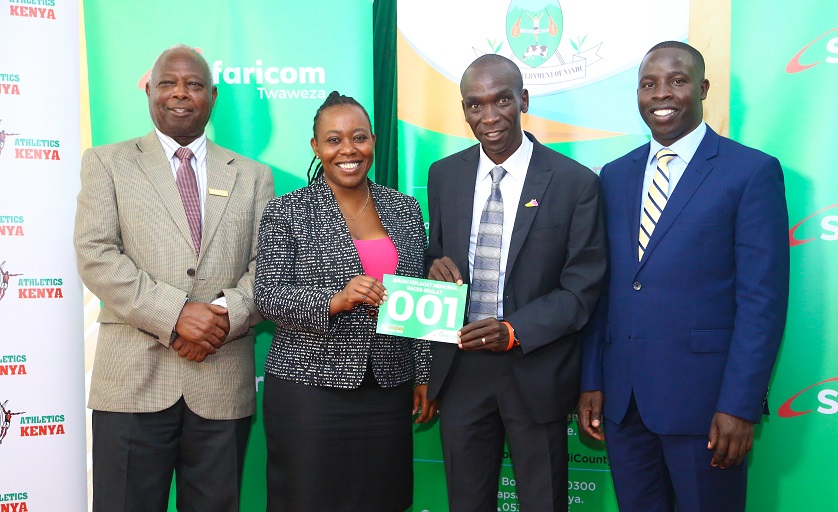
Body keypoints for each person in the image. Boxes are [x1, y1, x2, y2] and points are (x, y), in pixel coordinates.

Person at [578, 41, 789, 512]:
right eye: (648, 85)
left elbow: (762, 302)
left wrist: (739, 405)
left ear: (703, 88)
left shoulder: (750, 172)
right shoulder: (614, 175)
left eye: (677, 81)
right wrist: (591, 379)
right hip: (624, 404)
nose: (662, 94)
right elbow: (603, 288)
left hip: (706, 407)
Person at [74, 45, 274, 512]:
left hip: (221, 382)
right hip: (131, 383)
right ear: (149, 90)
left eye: (194, 84)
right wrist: (178, 314)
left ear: (213, 96)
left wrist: (221, 316)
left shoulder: (254, 176)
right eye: (168, 83)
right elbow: (96, 255)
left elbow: (268, 267)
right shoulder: (107, 163)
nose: (180, 94)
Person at [425, 54, 607, 511]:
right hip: (461, 367)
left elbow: (581, 290)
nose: (489, 117)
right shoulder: (443, 175)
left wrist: (513, 330)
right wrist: (432, 267)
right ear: (464, 110)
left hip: (535, 368)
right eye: (475, 105)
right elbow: (436, 252)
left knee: (543, 501)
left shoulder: (575, 183)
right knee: (467, 501)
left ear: (523, 99)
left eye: (501, 100)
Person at [254, 91, 436, 512]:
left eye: (359, 137)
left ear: (373, 140)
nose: (348, 150)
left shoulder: (405, 209)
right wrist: (336, 300)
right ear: (316, 147)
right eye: (333, 140)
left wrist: (425, 374)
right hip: (309, 392)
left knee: (381, 500)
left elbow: (419, 301)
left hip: (388, 390)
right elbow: (268, 296)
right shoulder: (287, 211)